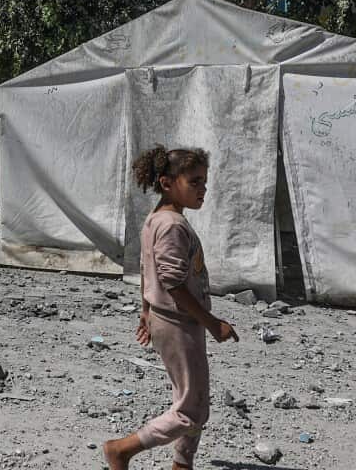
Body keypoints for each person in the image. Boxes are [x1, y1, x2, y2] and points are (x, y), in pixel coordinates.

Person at [103, 146, 238, 470]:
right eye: (194, 182)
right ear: (167, 183)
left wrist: (146, 310)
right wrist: (211, 322)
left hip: (172, 320)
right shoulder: (172, 225)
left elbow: (146, 267)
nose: (202, 189)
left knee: (192, 401)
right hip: (179, 323)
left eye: (204, 182)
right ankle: (122, 450)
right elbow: (173, 283)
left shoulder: (158, 219)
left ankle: (182, 464)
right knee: (191, 410)